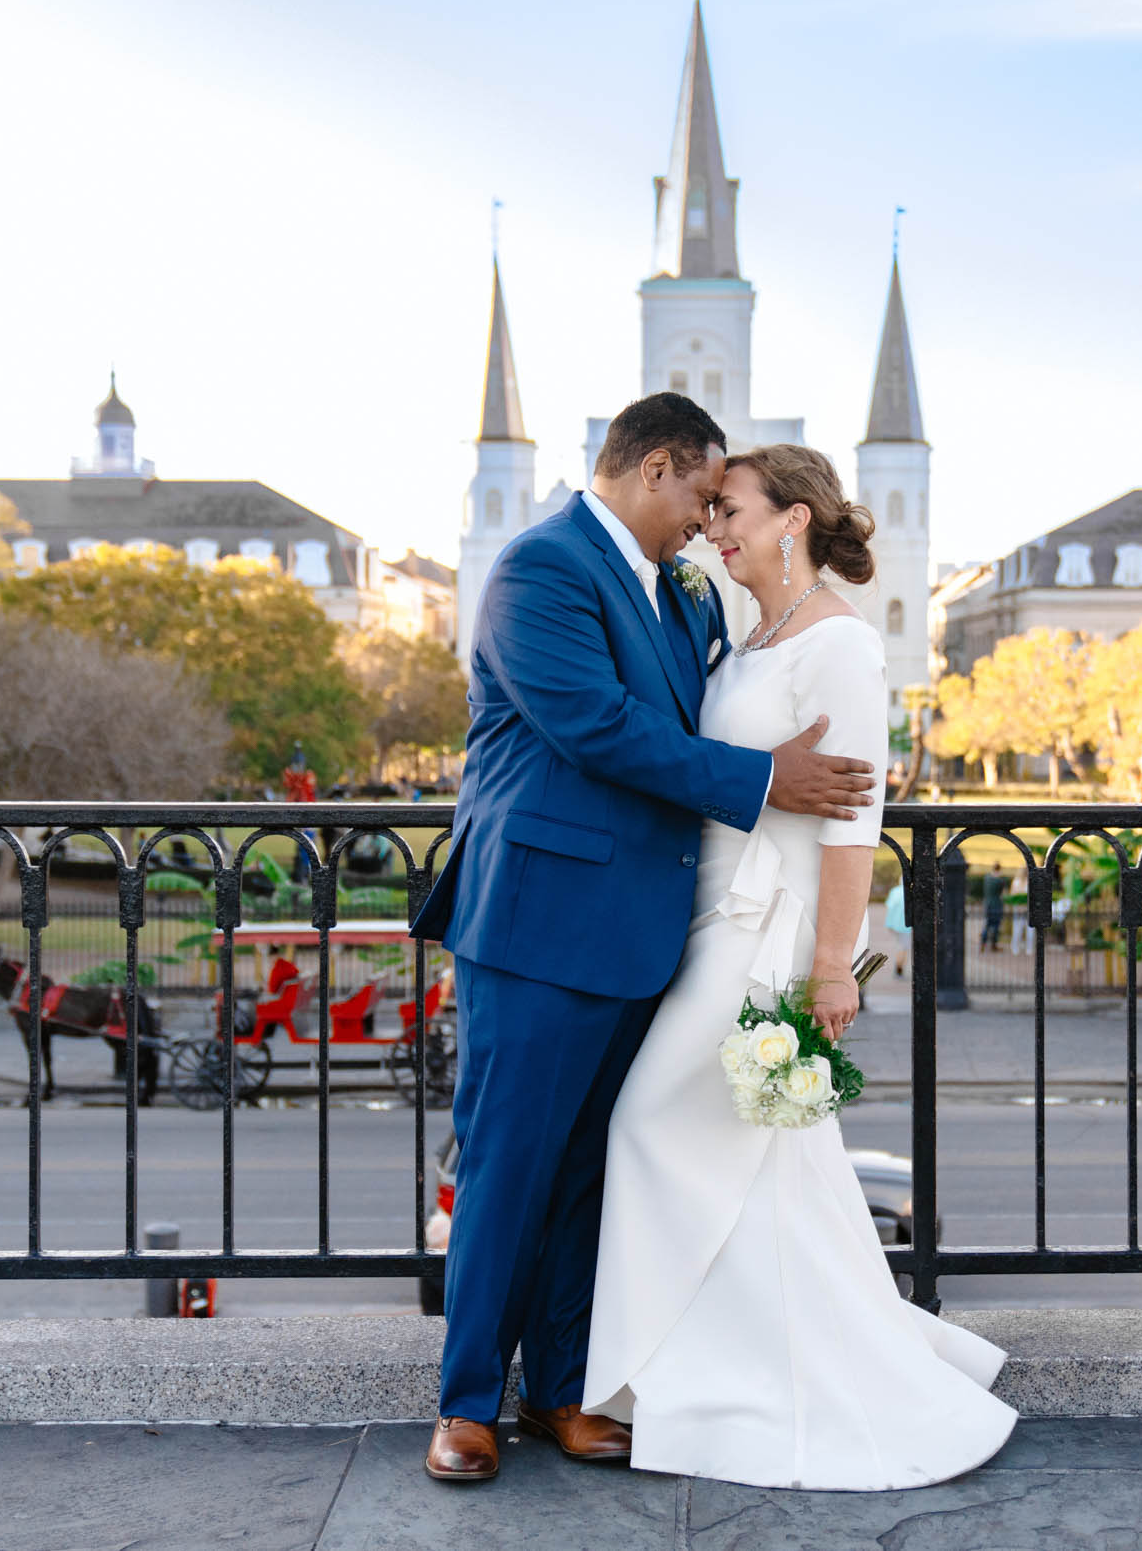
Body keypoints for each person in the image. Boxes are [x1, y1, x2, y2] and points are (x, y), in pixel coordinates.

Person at [407, 394, 877, 1484]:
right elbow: (598, 728)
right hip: (533, 925)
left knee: (588, 1172)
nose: (706, 524)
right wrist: (767, 780)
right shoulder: (540, 569)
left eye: (726, 505)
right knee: (507, 1164)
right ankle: (466, 1402)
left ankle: (562, 1388)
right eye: (701, 498)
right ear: (658, 469)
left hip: (647, 934)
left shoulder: (684, 595)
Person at [584, 442, 1016, 1490]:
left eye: (727, 508)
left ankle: (701, 1379)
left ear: (790, 518)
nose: (710, 526)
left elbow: (852, 826)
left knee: (650, 1125)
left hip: (763, 938)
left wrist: (833, 967)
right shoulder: (750, 632)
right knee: (772, 1164)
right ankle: (719, 1377)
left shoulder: (839, 648)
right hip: (708, 919)